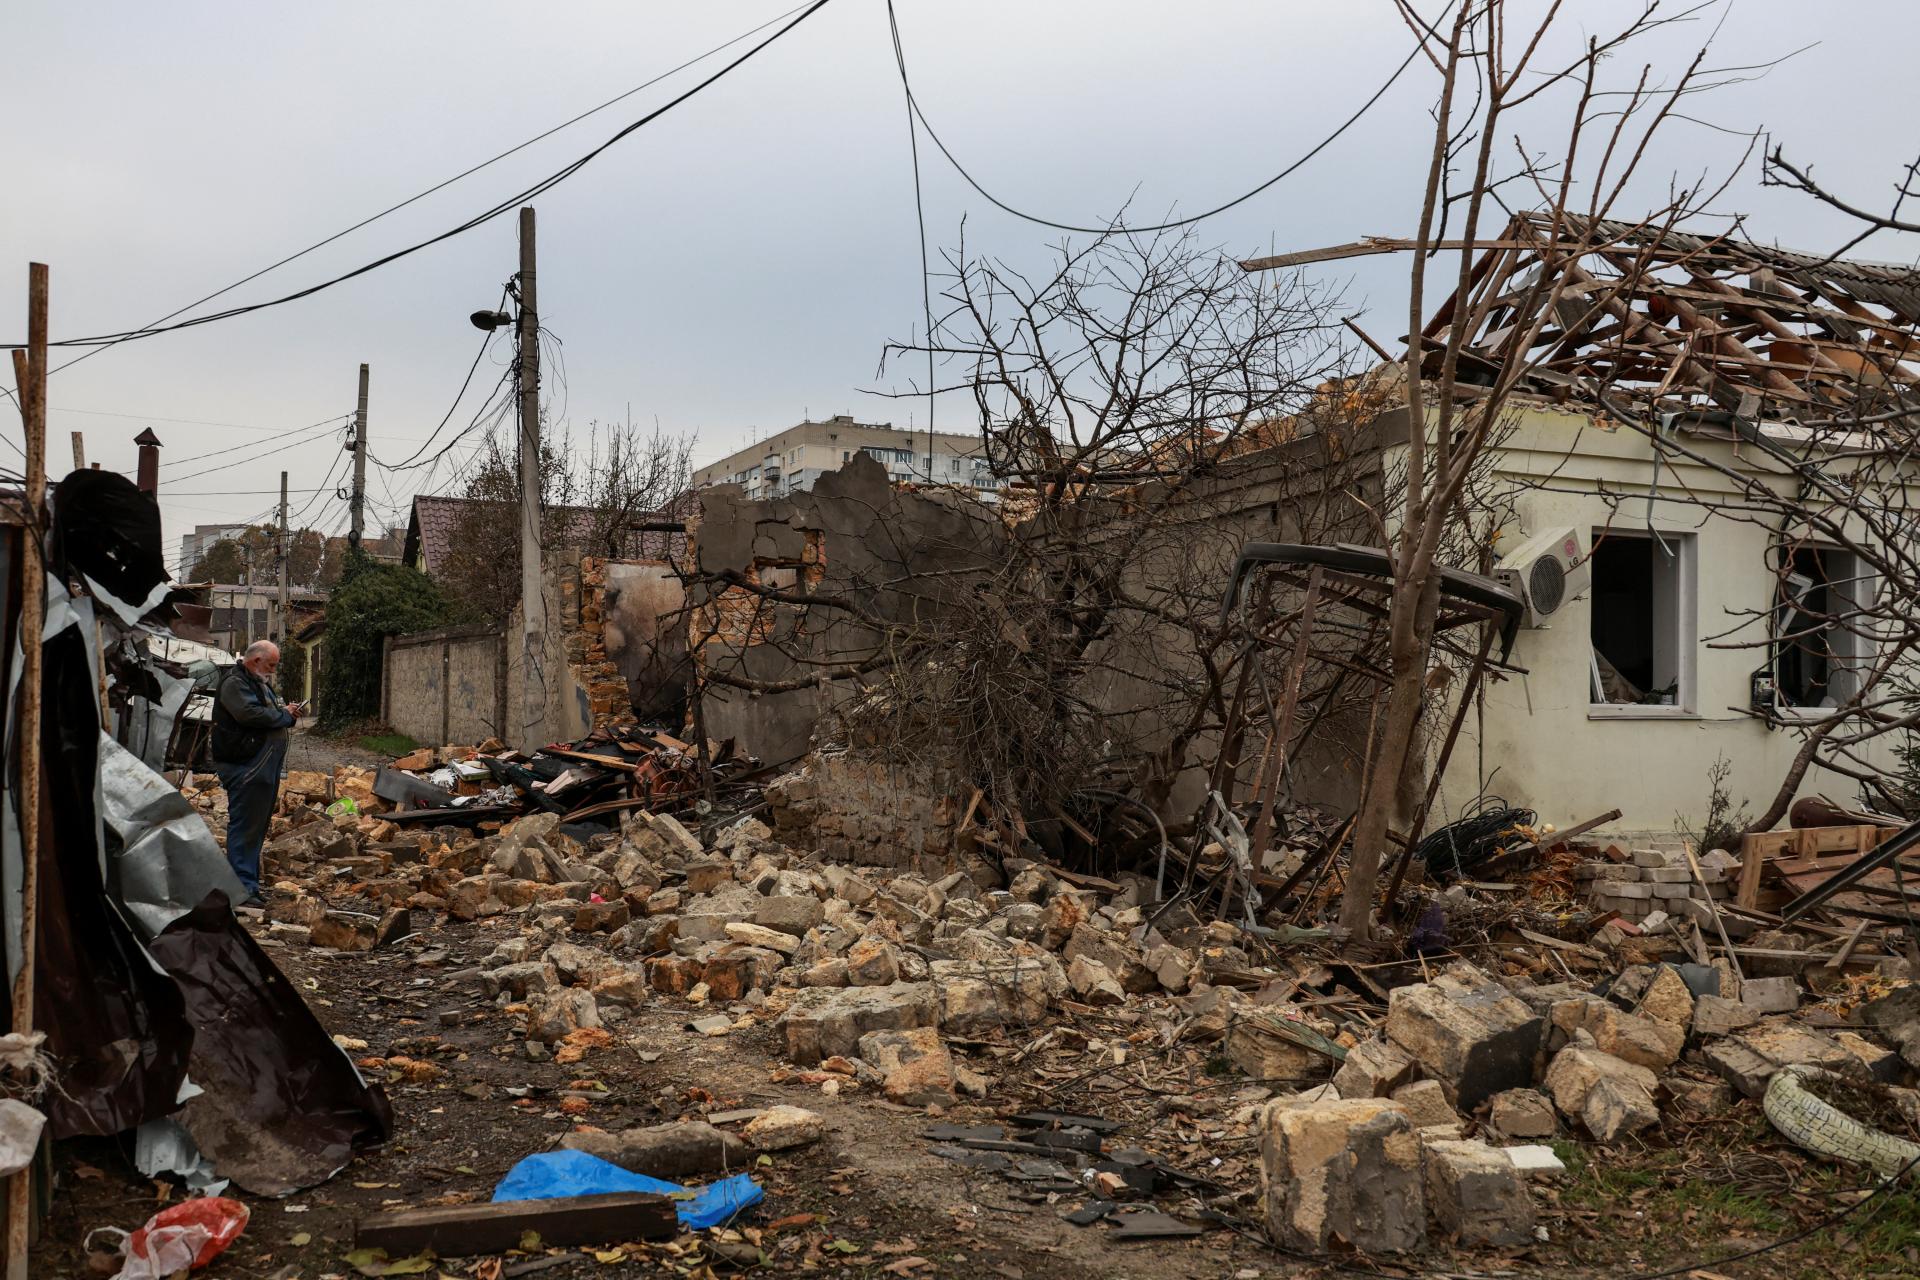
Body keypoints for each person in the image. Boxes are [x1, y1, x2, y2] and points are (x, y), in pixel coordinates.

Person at [212, 640, 304, 907]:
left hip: (259, 766)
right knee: (245, 826)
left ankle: (248, 885)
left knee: (255, 827)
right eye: (271, 665)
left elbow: (266, 712)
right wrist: (284, 716)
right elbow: (250, 714)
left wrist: (285, 712)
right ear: (255, 661)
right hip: (246, 766)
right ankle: (240, 889)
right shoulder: (235, 683)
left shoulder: (256, 681)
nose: (273, 670)